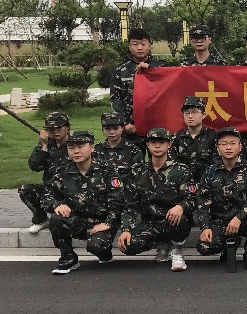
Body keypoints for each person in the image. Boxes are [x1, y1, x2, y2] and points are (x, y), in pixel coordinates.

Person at [44, 131, 123, 275]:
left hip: (102, 222)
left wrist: (109, 223)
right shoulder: (63, 171)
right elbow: (48, 195)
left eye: (81, 146)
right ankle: (68, 258)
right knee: (56, 219)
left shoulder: (107, 170)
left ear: (92, 148)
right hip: (78, 221)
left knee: (96, 246)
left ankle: (104, 253)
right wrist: (57, 204)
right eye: (71, 147)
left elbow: (117, 199)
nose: (76, 151)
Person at [117, 128, 193, 272]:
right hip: (150, 222)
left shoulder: (181, 170)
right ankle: (162, 244)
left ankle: (176, 249)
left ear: (169, 145)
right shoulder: (137, 172)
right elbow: (130, 205)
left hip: (174, 220)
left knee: (178, 218)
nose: (157, 146)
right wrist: (126, 229)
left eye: (161, 142)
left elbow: (192, 198)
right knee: (128, 245)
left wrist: (181, 207)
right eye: (153, 142)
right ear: (147, 145)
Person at [192, 127, 247, 271]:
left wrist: (239, 218)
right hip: (220, 221)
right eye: (223, 144)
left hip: (243, 220)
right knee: (204, 247)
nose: (228, 147)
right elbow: (202, 202)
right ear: (218, 148)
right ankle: (228, 246)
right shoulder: (210, 171)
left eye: (232, 143)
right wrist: (205, 227)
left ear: (240, 146)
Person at [19, 111, 72, 233]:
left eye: (59, 128)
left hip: (71, 190)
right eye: (51, 129)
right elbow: (34, 166)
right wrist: (44, 146)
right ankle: (41, 219)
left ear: (67, 127)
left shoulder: (75, 144)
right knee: (25, 190)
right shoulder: (47, 144)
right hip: (51, 189)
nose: (55, 132)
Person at [110, 28, 166, 136]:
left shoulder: (161, 67)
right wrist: (124, 123)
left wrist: (151, 69)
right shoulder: (121, 70)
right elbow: (115, 99)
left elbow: (172, 82)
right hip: (131, 127)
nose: (139, 48)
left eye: (143, 44)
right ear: (129, 47)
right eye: (135, 44)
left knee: (158, 153)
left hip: (157, 125)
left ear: (150, 45)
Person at [170, 96, 217, 184]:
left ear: (203, 115)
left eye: (194, 112)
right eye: (187, 113)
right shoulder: (176, 137)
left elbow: (217, 164)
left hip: (207, 185)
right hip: (182, 185)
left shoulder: (213, 137)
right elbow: (172, 164)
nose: (190, 116)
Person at [93, 112, 143, 179]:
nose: (112, 132)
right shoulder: (96, 150)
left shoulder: (133, 150)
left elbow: (138, 176)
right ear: (102, 130)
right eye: (107, 129)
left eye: (115, 128)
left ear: (122, 128)